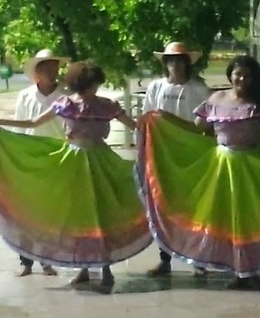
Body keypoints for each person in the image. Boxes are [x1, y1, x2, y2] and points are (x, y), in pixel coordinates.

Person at [136, 55, 260, 289]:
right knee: (229, 222)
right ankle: (240, 272)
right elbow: (196, 129)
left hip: (254, 167)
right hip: (222, 167)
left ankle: (255, 271)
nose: (242, 79)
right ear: (230, 75)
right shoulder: (216, 98)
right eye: (238, 74)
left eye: (247, 76)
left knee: (252, 221)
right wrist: (162, 117)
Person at [0, 61, 149, 287]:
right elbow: (33, 122)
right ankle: (84, 269)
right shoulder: (66, 103)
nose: (95, 89)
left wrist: (158, 126)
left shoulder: (106, 105)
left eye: (97, 85)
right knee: (79, 217)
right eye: (92, 85)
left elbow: (135, 125)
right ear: (82, 84)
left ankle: (105, 268)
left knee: (103, 214)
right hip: (73, 162)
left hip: (101, 161)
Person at [143, 42, 213, 278]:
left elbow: (207, 123)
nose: (176, 65)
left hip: (191, 154)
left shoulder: (199, 89)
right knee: (163, 208)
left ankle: (198, 258)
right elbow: (146, 120)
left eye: (180, 60)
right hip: (162, 154)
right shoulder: (155, 88)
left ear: (187, 63)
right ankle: (165, 258)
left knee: (194, 208)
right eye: (171, 60)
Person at [9, 49, 70, 277]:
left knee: (49, 214)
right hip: (30, 159)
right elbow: (19, 128)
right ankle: (26, 261)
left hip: (56, 159)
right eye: (46, 68)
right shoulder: (25, 96)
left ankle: (47, 259)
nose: (51, 72)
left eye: (54, 68)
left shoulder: (65, 97)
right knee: (26, 213)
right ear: (37, 72)